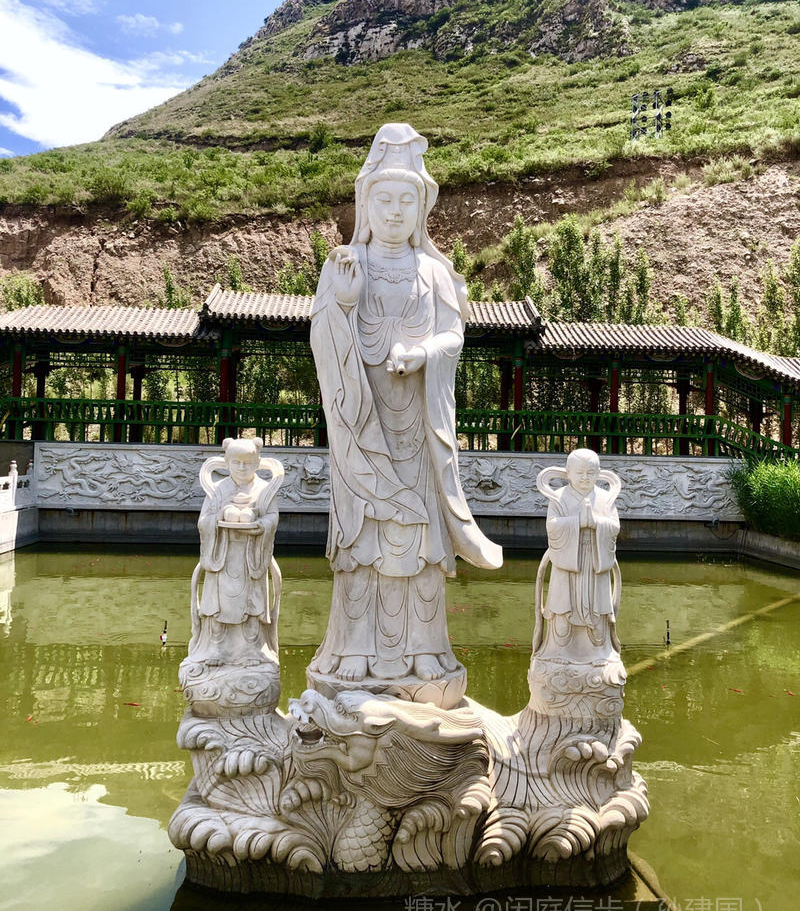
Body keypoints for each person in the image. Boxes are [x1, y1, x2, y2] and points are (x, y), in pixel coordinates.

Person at [309, 123, 502, 686]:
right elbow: (322, 337)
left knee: (419, 537)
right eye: (384, 200)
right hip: (360, 425)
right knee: (363, 538)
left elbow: (454, 336)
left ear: (421, 209)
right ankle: (352, 651)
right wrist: (345, 306)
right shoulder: (344, 264)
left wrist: (424, 353)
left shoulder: (434, 271)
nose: (394, 211)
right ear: (366, 206)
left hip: (416, 425)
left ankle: (426, 650)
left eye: (405, 201)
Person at [188, 437, 281, 668]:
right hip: (223, 555)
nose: (242, 468)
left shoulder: (264, 490)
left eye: (247, 463)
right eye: (236, 462)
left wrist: (262, 525)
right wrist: (219, 518)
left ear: (257, 463)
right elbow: (204, 521)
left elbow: (272, 517)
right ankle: (216, 647)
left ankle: (250, 649)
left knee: (252, 606)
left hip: (251, 558)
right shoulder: (218, 489)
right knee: (217, 605)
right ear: (227, 463)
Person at [536, 448, 620, 658]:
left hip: (595, 560)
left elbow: (614, 526)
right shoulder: (559, 498)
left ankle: (599, 652)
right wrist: (578, 522)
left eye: (590, 473)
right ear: (568, 473)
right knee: (562, 612)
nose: (585, 478)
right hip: (566, 561)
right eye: (579, 472)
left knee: (598, 614)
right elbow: (552, 526)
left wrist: (597, 523)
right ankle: (558, 653)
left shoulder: (605, 499)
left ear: (598, 473)